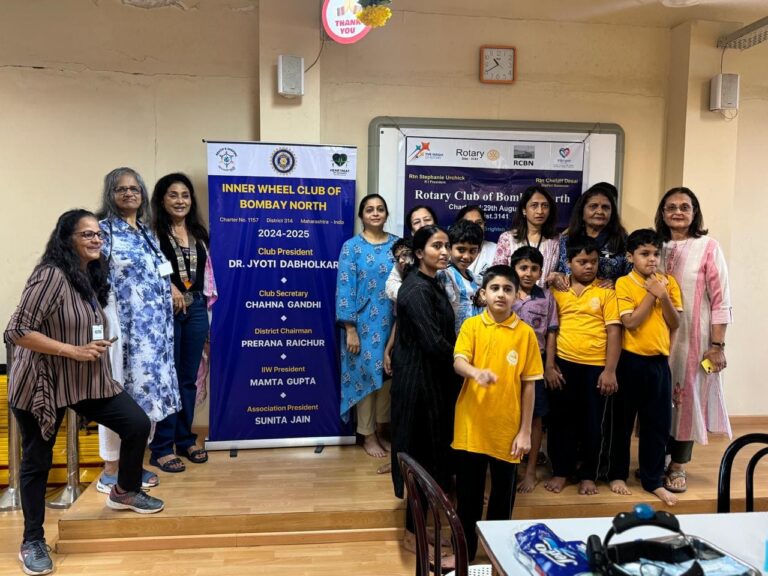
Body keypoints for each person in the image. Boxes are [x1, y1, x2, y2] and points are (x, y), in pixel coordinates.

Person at [5, 210, 164, 576]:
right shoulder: (50, 275)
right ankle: (32, 541)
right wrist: (72, 350)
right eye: (87, 234)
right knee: (37, 462)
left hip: (83, 379)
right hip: (42, 382)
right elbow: (16, 331)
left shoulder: (88, 273)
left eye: (98, 234)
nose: (96, 239)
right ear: (67, 239)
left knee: (137, 424)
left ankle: (124, 490)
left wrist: (93, 344)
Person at [453, 265, 542, 562]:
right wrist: (475, 373)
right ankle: (464, 555)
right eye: (494, 288)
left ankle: (498, 558)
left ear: (516, 295)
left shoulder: (526, 334)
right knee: (468, 498)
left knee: (502, 501)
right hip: (471, 427)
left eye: (507, 289)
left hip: (507, 430)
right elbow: (458, 361)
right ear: (483, 293)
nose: (501, 294)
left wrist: (525, 431)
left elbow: (529, 386)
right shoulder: (472, 326)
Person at [96, 167, 180, 482]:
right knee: (118, 396)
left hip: (155, 334)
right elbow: (93, 280)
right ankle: (111, 470)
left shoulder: (147, 233)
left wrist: (171, 288)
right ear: (110, 194)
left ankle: (132, 466)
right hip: (124, 330)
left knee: (148, 396)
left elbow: (159, 271)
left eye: (134, 188)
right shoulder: (103, 232)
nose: (129, 193)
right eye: (121, 189)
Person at [655, 187, 732, 493]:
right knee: (657, 398)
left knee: (687, 399)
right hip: (654, 337)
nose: (678, 212)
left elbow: (721, 300)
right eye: (671, 207)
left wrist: (717, 346)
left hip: (693, 339)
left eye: (684, 207)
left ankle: (678, 464)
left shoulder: (708, 247)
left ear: (694, 212)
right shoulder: (655, 245)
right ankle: (655, 460)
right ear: (662, 213)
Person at [389, 225, 459, 553]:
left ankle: (422, 529)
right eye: (436, 246)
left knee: (433, 458)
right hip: (418, 385)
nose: (444, 252)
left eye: (446, 245)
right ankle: (411, 535)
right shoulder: (416, 288)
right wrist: (466, 361)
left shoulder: (433, 282)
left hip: (435, 382)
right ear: (419, 253)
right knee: (420, 459)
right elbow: (432, 342)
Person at [608, 229, 682, 506]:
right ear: (630, 257)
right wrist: (652, 294)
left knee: (657, 424)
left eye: (656, 254)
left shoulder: (668, 283)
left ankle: (653, 480)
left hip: (658, 363)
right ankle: (617, 474)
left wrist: (663, 295)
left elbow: (675, 322)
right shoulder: (624, 283)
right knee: (622, 422)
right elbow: (630, 322)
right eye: (644, 254)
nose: (652, 259)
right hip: (630, 361)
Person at [148, 173, 217, 471]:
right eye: (173, 195)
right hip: (166, 310)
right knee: (168, 378)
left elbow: (206, 274)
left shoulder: (199, 234)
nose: (180, 201)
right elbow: (147, 270)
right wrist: (169, 287)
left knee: (188, 378)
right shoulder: (152, 234)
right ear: (162, 200)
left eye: (185, 195)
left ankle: (185, 439)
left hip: (196, 308)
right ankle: (161, 446)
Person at [545, 238, 621, 495]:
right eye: (582, 262)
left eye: (593, 262)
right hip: (564, 364)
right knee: (561, 421)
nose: (589, 267)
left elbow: (614, 332)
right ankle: (561, 471)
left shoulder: (606, 292)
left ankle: (589, 475)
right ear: (568, 263)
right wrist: (550, 366)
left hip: (596, 367)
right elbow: (551, 331)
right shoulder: (558, 291)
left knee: (593, 423)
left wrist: (609, 370)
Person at [336, 194, 397, 458]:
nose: (375, 213)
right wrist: (350, 328)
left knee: (388, 377)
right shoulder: (351, 247)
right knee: (365, 378)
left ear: (386, 214)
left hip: (393, 322)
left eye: (380, 209)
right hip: (362, 325)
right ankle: (367, 434)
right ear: (361, 215)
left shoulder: (397, 245)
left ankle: (382, 430)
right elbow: (344, 288)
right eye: (369, 209)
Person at [509, 247, 559, 493]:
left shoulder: (547, 297)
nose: (528, 273)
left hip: (536, 362)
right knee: (508, 413)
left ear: (540, 272)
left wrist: (549, 366)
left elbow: (551, 333)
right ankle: (509, 466)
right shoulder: (505, 292)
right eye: (523, 268)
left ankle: (530, 471)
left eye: (534, 269)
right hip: (507, 363)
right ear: (514, 269)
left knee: (535, 416)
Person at [552, 184, 630, 289]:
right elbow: (558, 270)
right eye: (593, 206)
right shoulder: (567, 239)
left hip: (609, 297)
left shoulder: (623, 240)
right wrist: (557, 277)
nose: (600, 211)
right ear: (582, 211)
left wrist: (616, 282)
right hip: (571, 297)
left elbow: (633, 276)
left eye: (605, 207)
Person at [493, 185, 560, 286]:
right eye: (534, 205)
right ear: (524, 210)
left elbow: (565, 271)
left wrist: (559, 275)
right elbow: (497, 274)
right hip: (513, 294)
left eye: (545, 206)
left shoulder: (557, 240)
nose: (540, 211)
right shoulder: (507, 238)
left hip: (544, 295)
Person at [385, 205, 438, 301]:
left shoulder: (448, 248)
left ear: (435, 224)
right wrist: (416, 293)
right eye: (417, 222)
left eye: (427, 220)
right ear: (412, 232)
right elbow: (391, 286)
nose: (423, 225)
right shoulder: (407, 254)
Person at [442, 219, 484, 334]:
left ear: (479, 250)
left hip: (477, 337)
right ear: (449, 248)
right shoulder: (445, 274)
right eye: (461, 250)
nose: (466, 256)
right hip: (455, 339)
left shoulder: (476, 278)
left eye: (472, 251)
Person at [456, 205, 496, 280]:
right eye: (469, 223)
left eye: (479, 223)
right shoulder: (451, 249)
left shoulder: (495, 250)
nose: (475, 227)